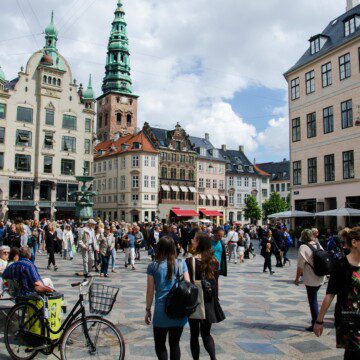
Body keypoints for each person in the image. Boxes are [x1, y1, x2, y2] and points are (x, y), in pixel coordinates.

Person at [314, 227, 360, 360]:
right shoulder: (341, 265)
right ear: (354, 243)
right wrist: (319, 321)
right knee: (354, 353)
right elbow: (330, 295)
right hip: (349, 318)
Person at [145, 236, 190, 360]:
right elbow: (188, 285)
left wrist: (148, 309)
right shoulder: (181, 263)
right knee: (175, 344)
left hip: (161, 311)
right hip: (179, 310)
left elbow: (150, 291)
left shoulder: (153, 266)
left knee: (160, 345)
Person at [186, 233, 225, 360]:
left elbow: (187, 283)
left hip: (195, 300)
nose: (192, 242)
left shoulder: (190, 261)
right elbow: (216, 283)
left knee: (194, 334)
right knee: (206, 334)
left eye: (195, 240)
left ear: (199, 243)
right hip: (209, 300)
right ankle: (213, 358)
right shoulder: (214, 261)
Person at [294, 229, 325, 332]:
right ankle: (317, 321)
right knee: (314, 299)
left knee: (313, 301)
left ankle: (315, 323)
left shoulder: (303, 247)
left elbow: (300, 266)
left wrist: (297, 278)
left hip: (311, 278)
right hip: (321, 276)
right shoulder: (318, 244)